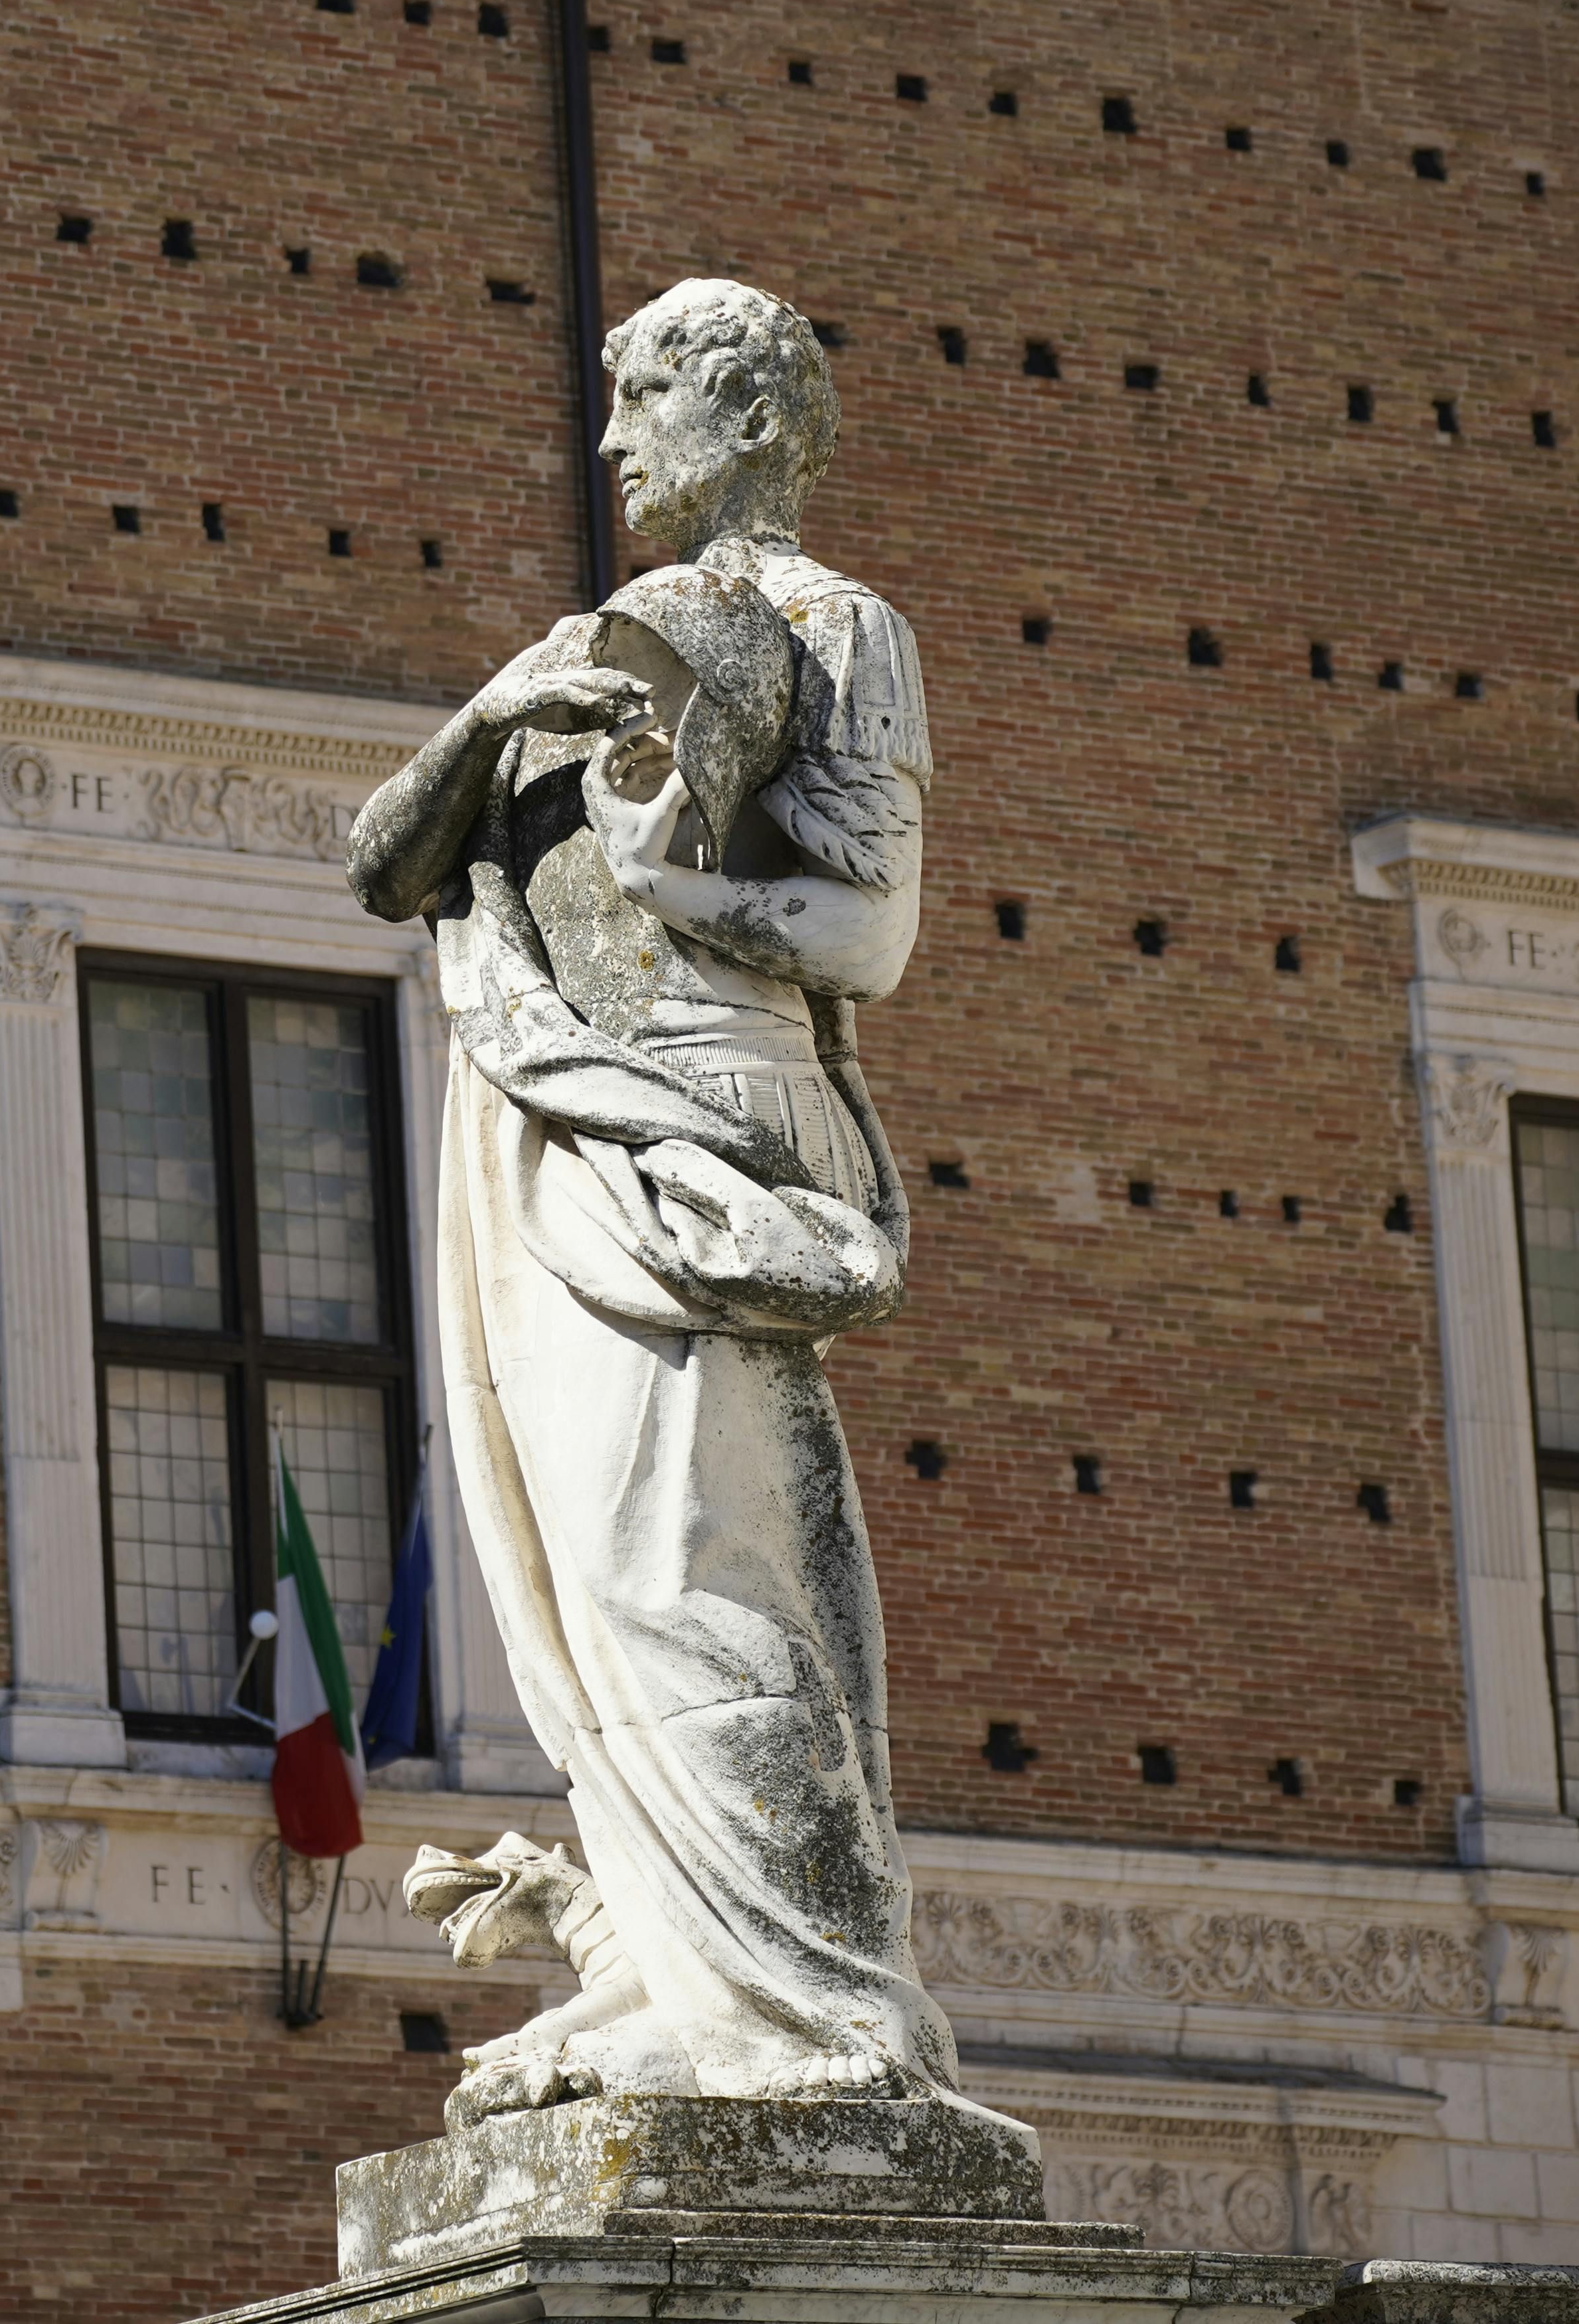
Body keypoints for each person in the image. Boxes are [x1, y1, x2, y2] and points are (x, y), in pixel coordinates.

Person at [346, 276, 973, 2122]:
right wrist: (491, 715)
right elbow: (385, 866)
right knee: (588, 1586)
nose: (612, 441)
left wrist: (675, 889)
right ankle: (676, 1967)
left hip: (713, 1124)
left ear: (758, 418)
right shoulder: (574, 652)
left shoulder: (840, 626)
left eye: (647, 401)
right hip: (546, 1134)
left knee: (696, 1568)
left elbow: (871, 929)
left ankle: (807, 2010)